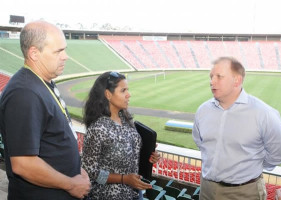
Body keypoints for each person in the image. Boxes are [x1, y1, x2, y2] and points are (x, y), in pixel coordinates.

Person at [0, 21, 91, 200]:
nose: (65, 56)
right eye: (58, 51)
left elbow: (51, 141)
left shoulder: (41, 81)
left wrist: (75, 169)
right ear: (34, 53)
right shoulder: (25, 93)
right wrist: (71, 184)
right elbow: (23, 163)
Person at [192, 57, 281, 200]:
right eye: (211, 76)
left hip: (245, 193)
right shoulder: (203, 110)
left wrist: (252, 163)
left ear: (237, 80)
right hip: (207, 189)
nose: (212, 81)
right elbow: (200, 143)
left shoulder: (264, 114)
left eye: (219, 76)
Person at [82, 71, 161, 200]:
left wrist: (148, 156)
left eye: (127, 90)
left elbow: (130, 154)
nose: (129, 95)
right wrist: (124, 179)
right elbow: (90, 172)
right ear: (108, 94)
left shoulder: (126, 119)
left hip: (134, 194)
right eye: (123, 90)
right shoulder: (98, 128)